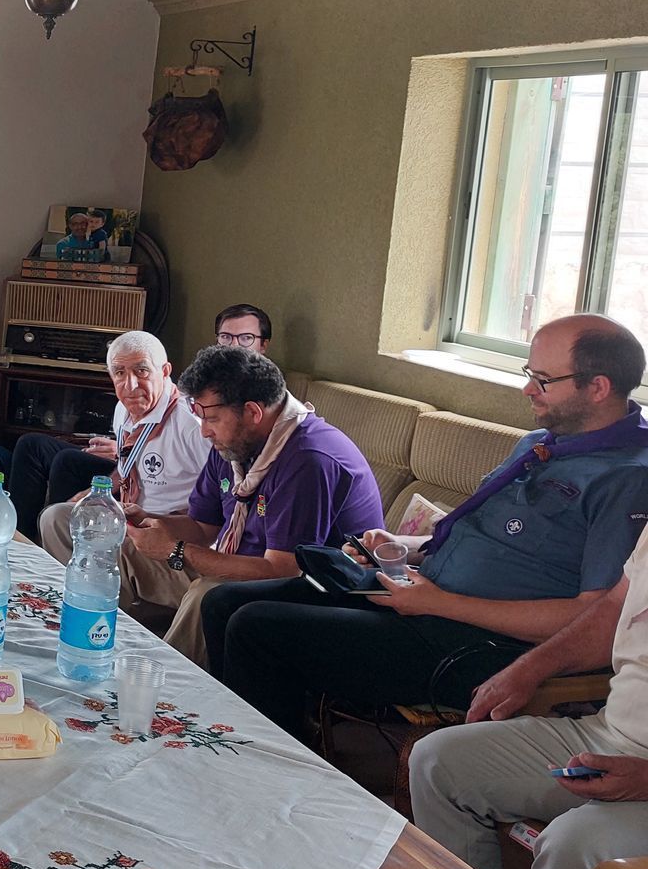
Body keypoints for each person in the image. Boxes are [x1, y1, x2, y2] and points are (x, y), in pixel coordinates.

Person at [208, 314, 648, 741]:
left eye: (544, 380)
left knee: (257, 628)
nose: (527, 389)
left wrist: (440, 603)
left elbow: (595, 616)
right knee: (223, 601)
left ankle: (272, 765)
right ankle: (249, 739)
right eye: (529, 374)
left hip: (475, 641)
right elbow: (483, 538)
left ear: (598, 387)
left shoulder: (628, 480)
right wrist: (402, 545)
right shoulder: (539, 444)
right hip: (418, 594)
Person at [343, 526, 648, 869]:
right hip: (611, 735)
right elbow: (612, 608)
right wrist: (529, 668)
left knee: (577, 844)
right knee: (440, 761)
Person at [123, 345, 384, 668]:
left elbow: (282, 570)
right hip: (237, 566)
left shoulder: (309, 459)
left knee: (208, 594)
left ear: (252, 412)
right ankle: (99, 656)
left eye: (211, 419)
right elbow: (204, 527)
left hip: (309, 594)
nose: (204, 431)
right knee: (125, 548)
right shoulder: (233, 444)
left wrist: (175, 550)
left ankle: (164, 687)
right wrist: (149, 522)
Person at [34, 331, 210, 616]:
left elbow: (220, 500)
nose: (130, 385)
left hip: (171, 535)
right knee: (57, 518)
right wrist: (100, 493)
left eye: (141, 371)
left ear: (165, 371)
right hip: (131, 520)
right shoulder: (123, 409)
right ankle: (81, 604)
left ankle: (108, 614)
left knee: (104, 551)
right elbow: (131, 463)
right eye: (119, 373)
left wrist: (168, 523)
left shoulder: (192, 423)